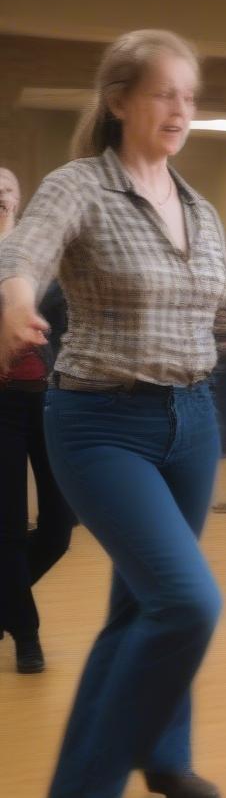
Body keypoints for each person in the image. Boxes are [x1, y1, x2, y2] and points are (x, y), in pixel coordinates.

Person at [0, 29, 226, 798]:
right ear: (119, 101)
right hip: (100, 422)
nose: (181, 109)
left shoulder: (198, 205)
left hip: (190, 423)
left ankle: (165, 754)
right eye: (164, 93)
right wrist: (12, 304)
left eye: (190, 95)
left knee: (144, 603)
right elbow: (26, 253)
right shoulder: (81, 187)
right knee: (187, 602)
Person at [0, 167, 76, 673]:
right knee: (6, 528)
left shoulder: (41, 254)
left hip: (48, 400)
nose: (0, 195)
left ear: (19, 197)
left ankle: (5, 602)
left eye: (7, 187)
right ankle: (26, 634)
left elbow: (69, 326)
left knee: (59, 525)